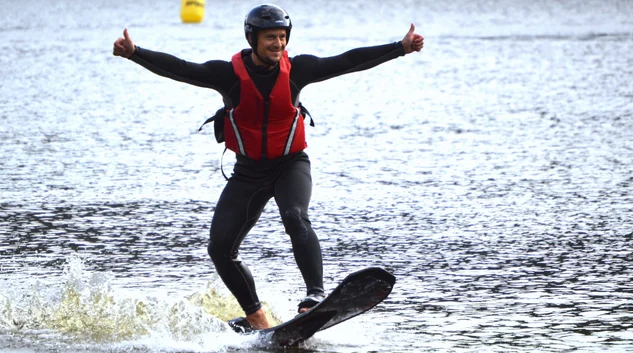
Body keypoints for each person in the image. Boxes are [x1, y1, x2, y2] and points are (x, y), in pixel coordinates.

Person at [113, 3, 424, 330]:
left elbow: (347, 61)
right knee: (219, 248)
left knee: (294, 215)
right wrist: (135, 53)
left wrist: (400, 48)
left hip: (291, 165)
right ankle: (256, 316)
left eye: (282, 37)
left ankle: (314, 296)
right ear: (253, 38)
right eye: (270, 38)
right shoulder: (229, 76)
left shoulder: (298, 70)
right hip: (248, 172)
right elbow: (181, 68)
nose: (278, 44)